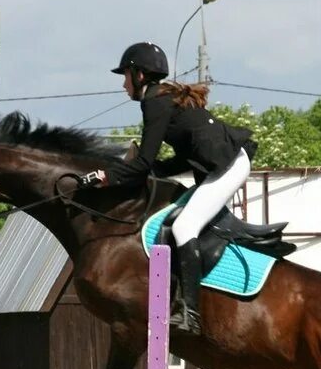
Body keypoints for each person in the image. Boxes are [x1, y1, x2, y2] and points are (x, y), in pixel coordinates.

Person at [78, 41, 257, 335]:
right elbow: (165, 163)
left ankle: (192, 314)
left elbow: (143, 164)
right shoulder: (160, 97)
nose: (123, 85)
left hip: (230, 166)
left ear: (140, 75)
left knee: (184, 227)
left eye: (125, 76)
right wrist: (143, 171)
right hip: (218, 165)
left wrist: (105, 176)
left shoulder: (155, 100)